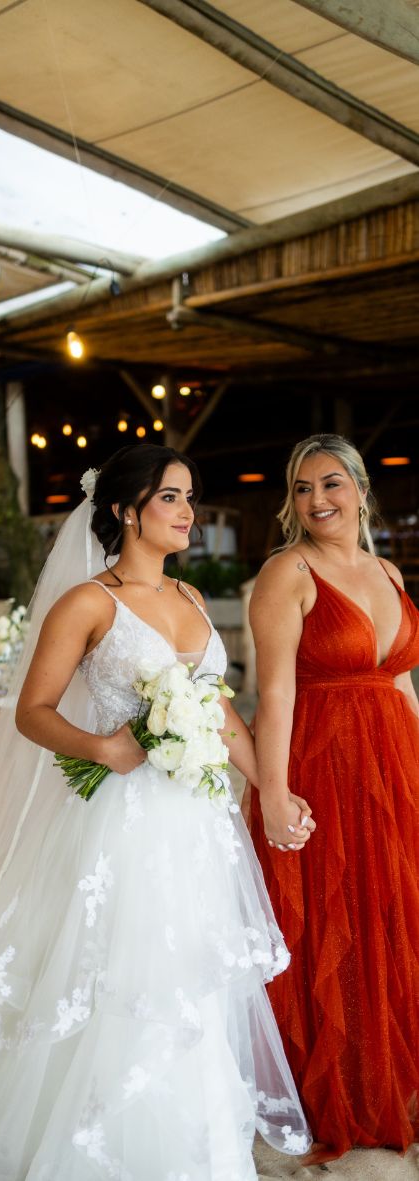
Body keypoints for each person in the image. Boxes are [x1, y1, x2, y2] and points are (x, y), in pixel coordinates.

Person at [0, 444, 313, 1177]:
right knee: (124, 969)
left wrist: (271, 785)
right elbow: (32, 714)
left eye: (189, 498)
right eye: (171, 497)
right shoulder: (88, 602)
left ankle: (191, 1124)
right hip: (122, 824)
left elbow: (220, 713)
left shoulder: (194, 601)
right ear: (123, 509)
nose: (187, 513)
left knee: (191, 970)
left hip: (196, 824)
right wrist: (101, 747)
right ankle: (110, 1127)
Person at [247, 433, 419, 1159]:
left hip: (392, 767)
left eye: (330, 484)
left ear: (359, 489)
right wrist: (276, 790)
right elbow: (275, 690)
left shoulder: (388, 569)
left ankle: (390, 1076)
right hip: (321, 762)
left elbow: (403, 683)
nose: (316, 500)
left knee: (392, 915)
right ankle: (335, 1089)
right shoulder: (287, 571)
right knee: (329, 919)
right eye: (301, 488)